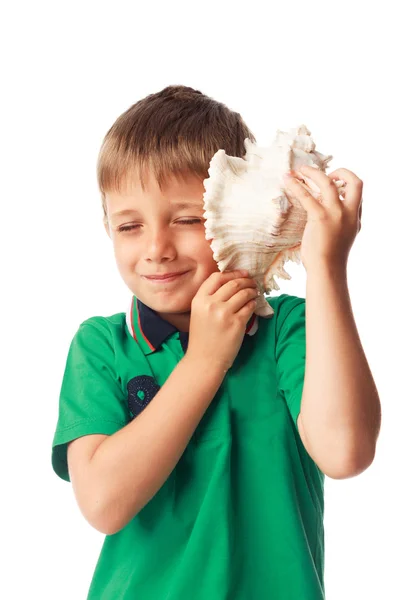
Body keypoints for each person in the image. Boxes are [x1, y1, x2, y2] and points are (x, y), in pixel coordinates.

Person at [51, 85, 380, 599]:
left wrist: (327, 266)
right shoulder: (102, 346)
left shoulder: (287, 329)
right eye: (129, 225)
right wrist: (205, 359)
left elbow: (345, 452)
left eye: (185, 220)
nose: (156, 248)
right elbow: (103, 503)